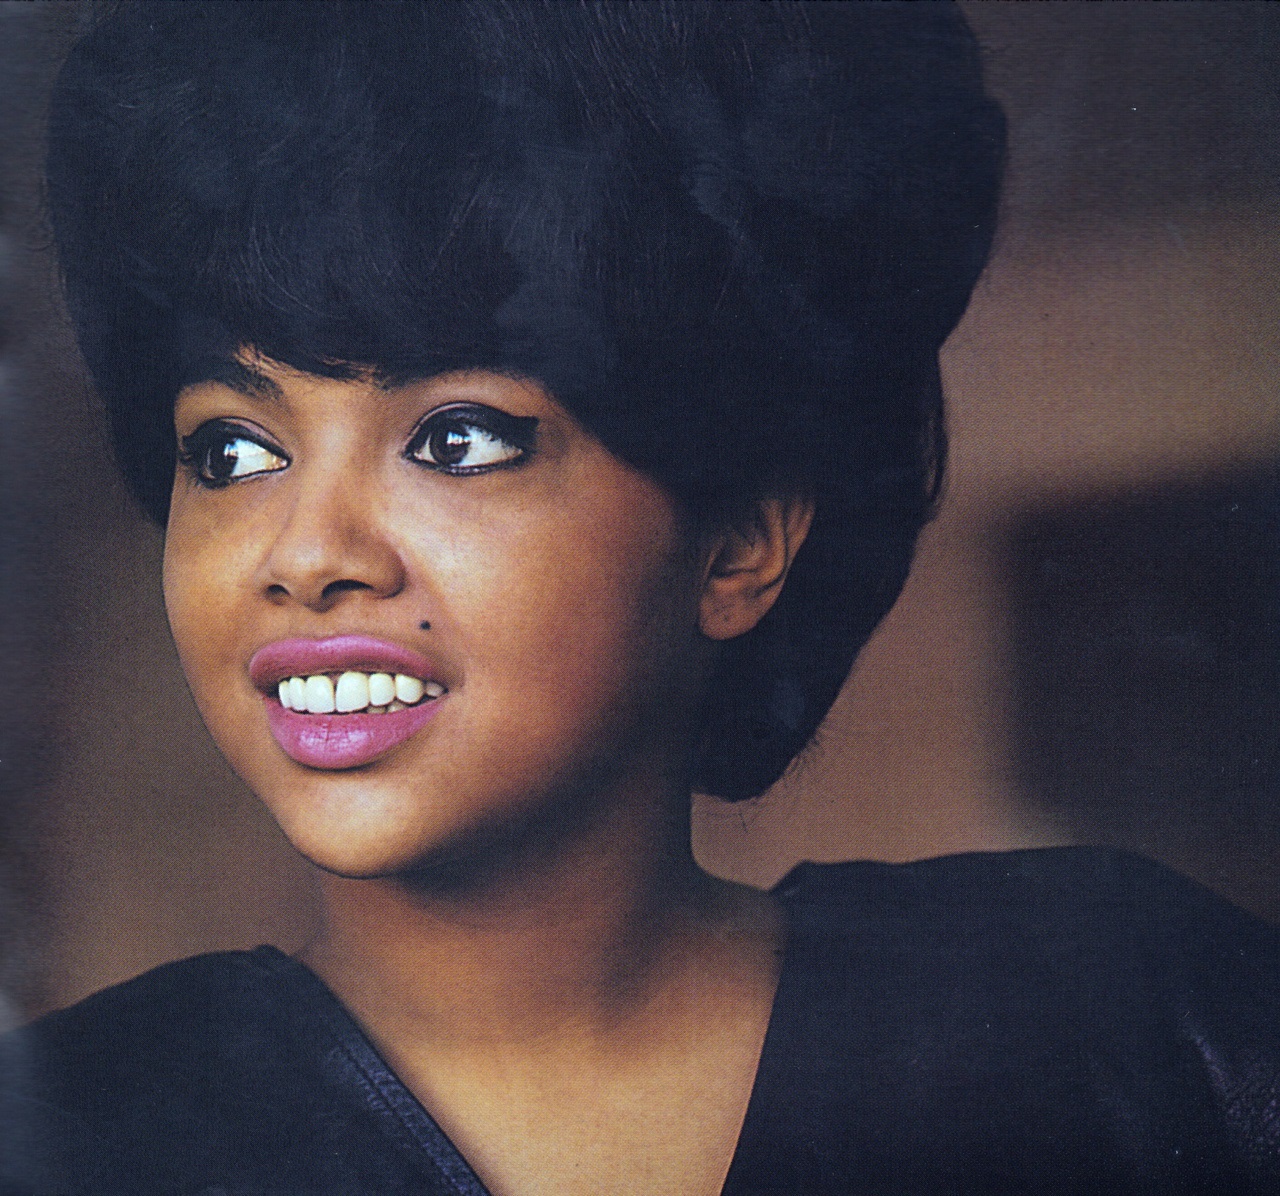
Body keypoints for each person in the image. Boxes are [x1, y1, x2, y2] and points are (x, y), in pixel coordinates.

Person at [3, 3, 1279, 1193]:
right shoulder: (64, 1131)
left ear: (738, 545)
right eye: (231, 450)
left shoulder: (1129, 1020)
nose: (306, 552)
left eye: (457, 438)